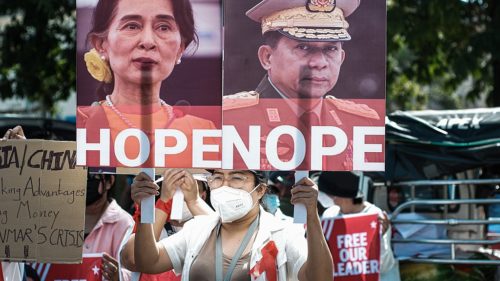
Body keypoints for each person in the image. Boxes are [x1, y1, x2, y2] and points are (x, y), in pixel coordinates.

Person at [222, 0, 383, 170]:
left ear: (341, 58)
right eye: (303, 47)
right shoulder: (228, 120)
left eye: (330, 49)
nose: (319, 62)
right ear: (267, 57)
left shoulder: (362, 124)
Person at [77, 0, 219, 167]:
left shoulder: (204, 133)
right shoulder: (80, 125)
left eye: (163, 27)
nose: (148, 41)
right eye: (132, 26)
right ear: (101, 44)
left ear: (180, 48)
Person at [127, 169, 333, 281]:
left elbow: (321, 278)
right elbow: (148, 262)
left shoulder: (283, 233)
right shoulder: (198, 228)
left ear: (260, 190)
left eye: (236, 178)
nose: (225, 186)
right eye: (217, 178)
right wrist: (147, 207)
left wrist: (312, 216)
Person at [2, 126, 134, 281]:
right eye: (78, 176)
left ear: (109, 182)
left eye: (90, 178)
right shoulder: (52, 216)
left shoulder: (123, 223)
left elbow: (133, 272)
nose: (83, 183)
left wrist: (119, 276)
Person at [319, 171, 400, 281]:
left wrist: (381, 237)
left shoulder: (376, 217)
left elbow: (385, 266)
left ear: (339, 197)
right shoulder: (330, 216)